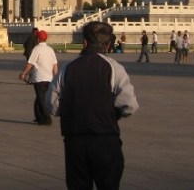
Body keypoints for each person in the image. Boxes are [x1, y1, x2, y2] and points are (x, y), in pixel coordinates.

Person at [47, 22, 138, 189]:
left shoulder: (68, 68)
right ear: (109, 44)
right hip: (105, 139)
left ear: (85, 42)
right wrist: (113, 113)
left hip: (75, 141)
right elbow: (129, 105)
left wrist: (71, 110)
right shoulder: (114, 68)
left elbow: (51, 104)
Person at [18, 30, 58, 125]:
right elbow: (55, 65)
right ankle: (39, 116)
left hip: (39, 78)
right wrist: (55, 77)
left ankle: (46, 119)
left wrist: (24, 73)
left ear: (39, 38)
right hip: (49, 78)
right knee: (39, 98)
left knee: (41, 99)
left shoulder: (37, 49)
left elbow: (30, 63)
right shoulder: (50, 50)